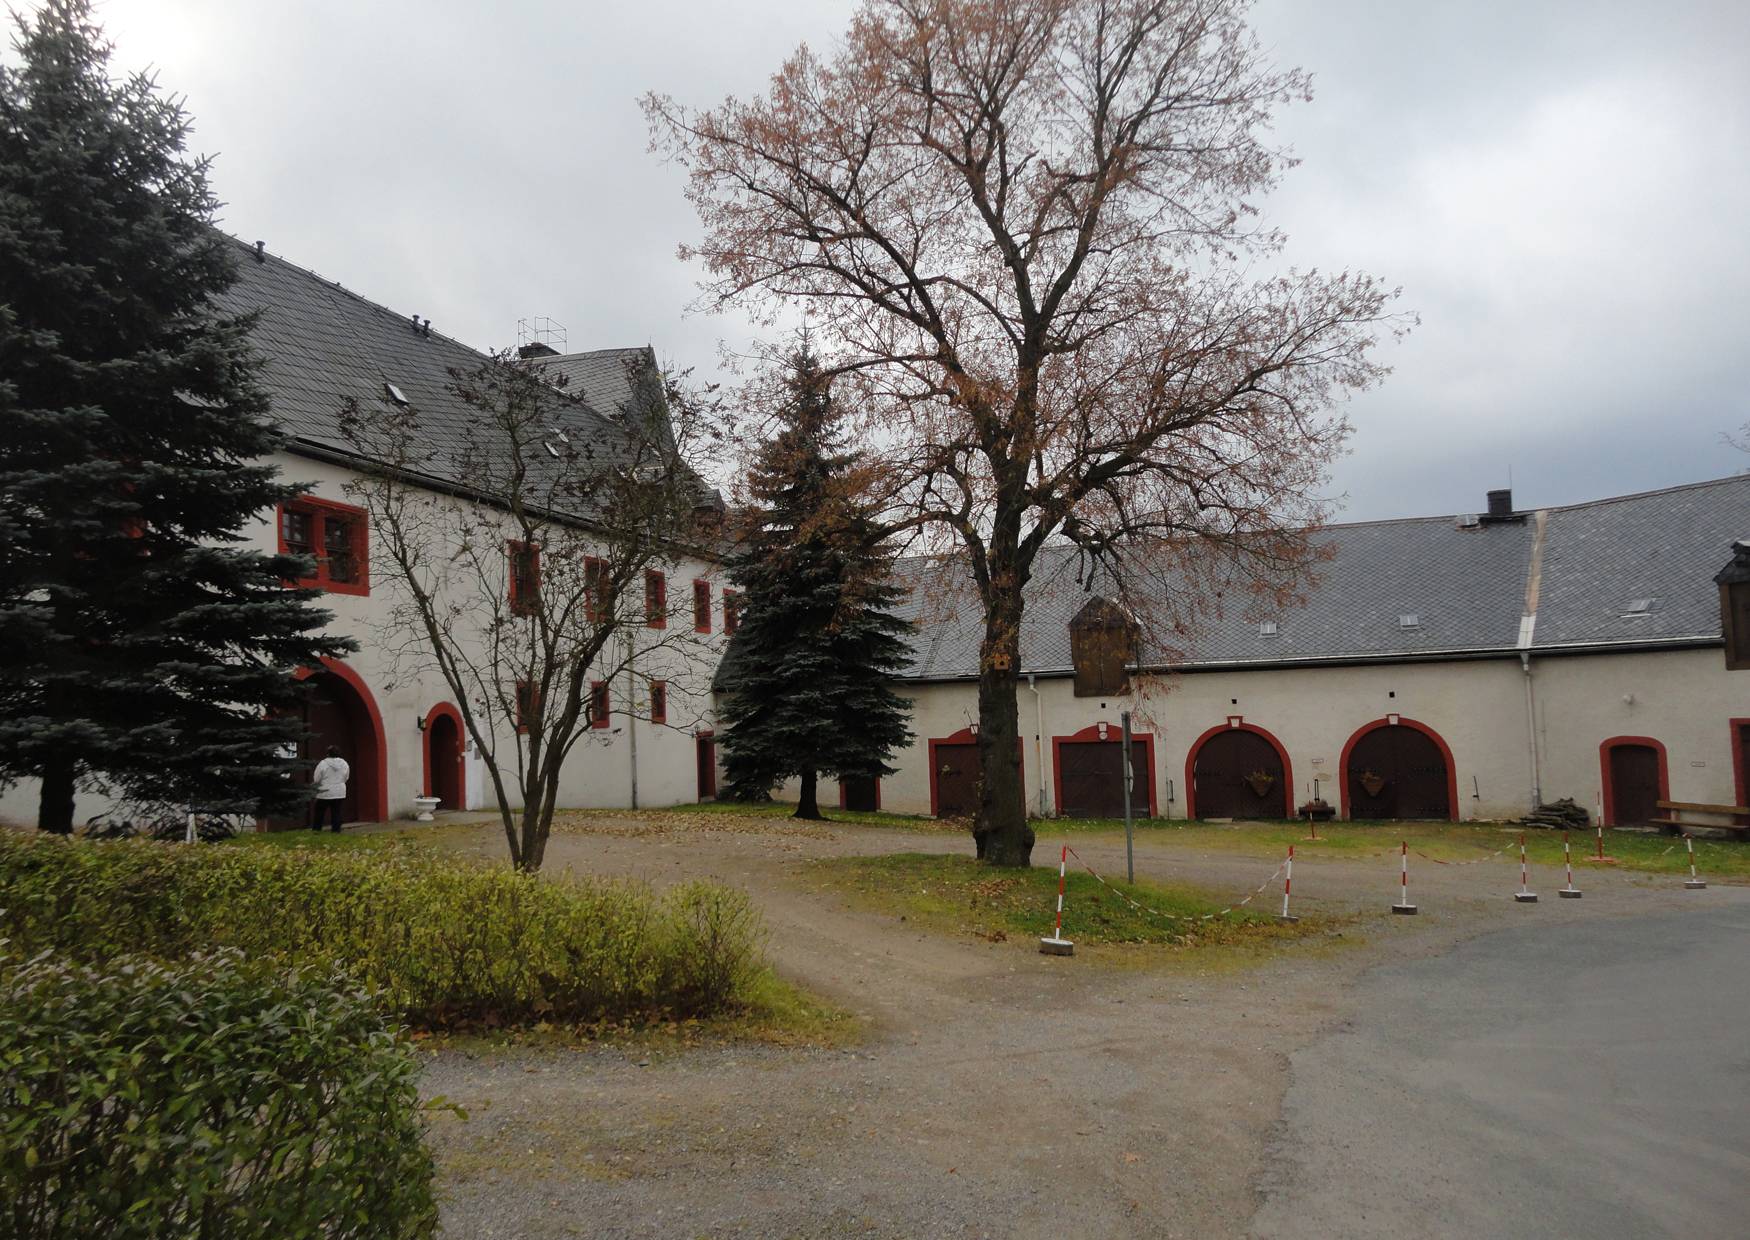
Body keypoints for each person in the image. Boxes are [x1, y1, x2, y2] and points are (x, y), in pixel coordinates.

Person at [310, 745, 350, 832]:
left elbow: (317, 778)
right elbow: (346, 777)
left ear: (328, 753)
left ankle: (317, 829)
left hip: (325, 792)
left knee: (320, 811)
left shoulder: (323, 764)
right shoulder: (344, 763)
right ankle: (336, 830)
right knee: (336, 812)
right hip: (339, 791)